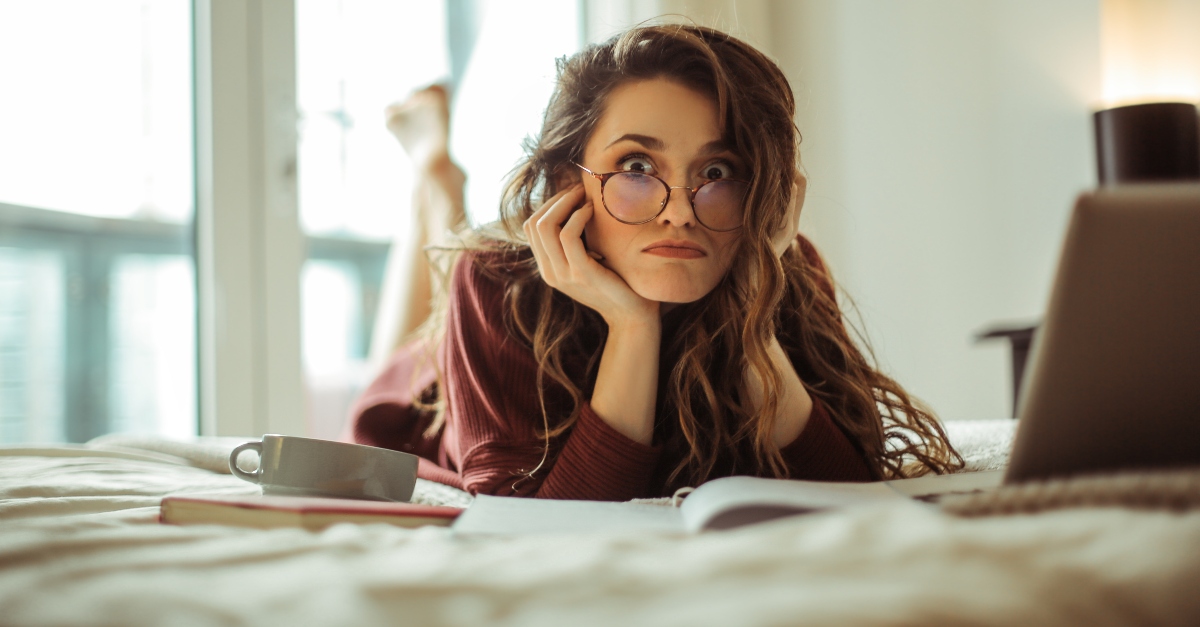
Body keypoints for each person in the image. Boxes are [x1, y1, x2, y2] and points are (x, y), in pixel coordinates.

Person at [347, 24, 963, 501]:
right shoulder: (492, 281)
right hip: (430, 397)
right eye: (638, 167)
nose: (680, 213)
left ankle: (438, 182)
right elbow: (543, 523)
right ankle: (433, 176)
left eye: (717, 172)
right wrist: (633, 325)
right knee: (447, 261)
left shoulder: (780, 262)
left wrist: (753, 302)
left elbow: (845, 492)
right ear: (568, 181)